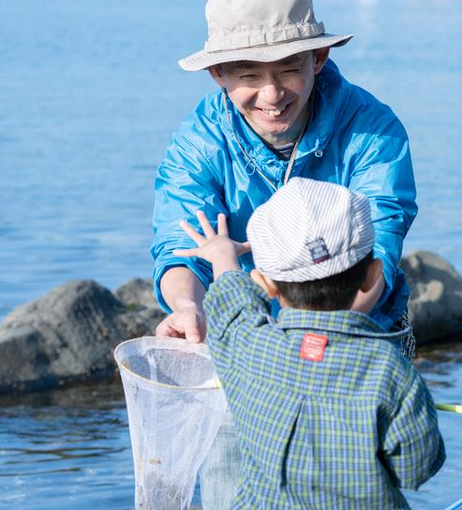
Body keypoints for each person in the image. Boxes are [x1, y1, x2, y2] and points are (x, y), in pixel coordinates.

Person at [149, 0, 418, 507]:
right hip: (247, 343)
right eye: (249, 74)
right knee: (234, 484)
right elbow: (180, 244)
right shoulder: (197, 142)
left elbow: (383, 235)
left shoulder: (372, 128)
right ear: (218, 73)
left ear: (317, 60)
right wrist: (187, 306)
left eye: (289, 70)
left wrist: (324, 341)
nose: (271, 95)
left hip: (357, 339)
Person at [174, 178, 445, 509]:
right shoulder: (389, 371)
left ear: (265, 285)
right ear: (374, 275)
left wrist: (221, 254)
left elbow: (231, 302)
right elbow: (416, 470)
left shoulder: (248, 345)